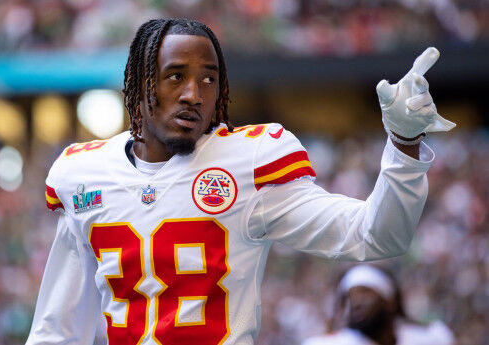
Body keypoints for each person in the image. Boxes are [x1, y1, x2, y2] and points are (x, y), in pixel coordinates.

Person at [26, 18, 455, 345]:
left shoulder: (249, 162)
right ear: (141, 84)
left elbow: (375, 236)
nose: (194, 93)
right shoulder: (83, 175)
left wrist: (403, 144)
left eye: (209, 79)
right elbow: (56, 331)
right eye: (176, 75)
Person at [302, 265, 455, 345]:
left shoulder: (430, 339)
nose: (356, 302)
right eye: (350, 297)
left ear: (390, 301)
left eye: (365, 293)